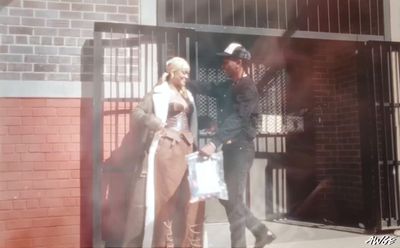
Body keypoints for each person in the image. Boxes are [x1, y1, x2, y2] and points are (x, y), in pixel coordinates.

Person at [187, 43, 276, 248]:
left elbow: (238, 118)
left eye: (227, 60)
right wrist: (184, 81)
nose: (223, 64)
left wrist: (214, 142)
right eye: (223, 60)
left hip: (241, 150)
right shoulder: (229, 85)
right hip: (229, 149)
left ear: (239, 62)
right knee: (225, 196)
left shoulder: (248, 88)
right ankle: (262, 232)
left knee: (233, 201)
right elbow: (207, 88)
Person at [123, 57, 205, 248]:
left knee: (192, 197)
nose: (186, 76)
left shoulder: (188, 94)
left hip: (187, 148)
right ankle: (164, 243)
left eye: (187, 72)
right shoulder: (158, 92)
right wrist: (157, 124)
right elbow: (137, 113)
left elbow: (192, 121)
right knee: (167, 197)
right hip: (168, 148)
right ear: (172, 72)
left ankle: (189, 243)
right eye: (183, 72)